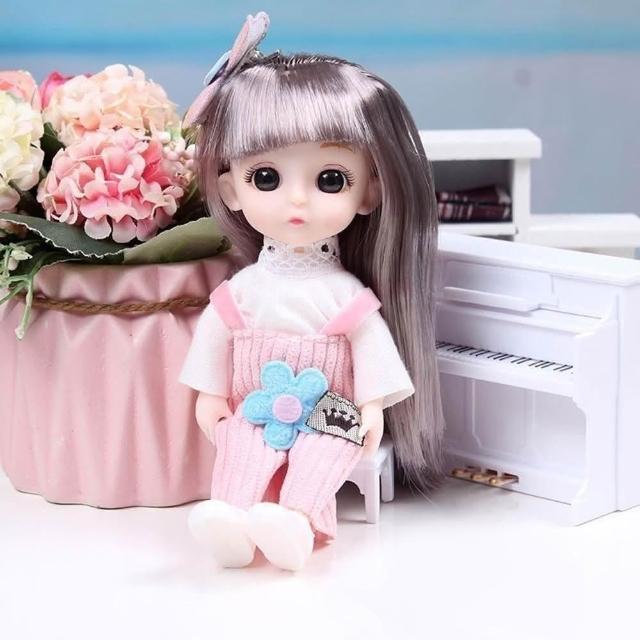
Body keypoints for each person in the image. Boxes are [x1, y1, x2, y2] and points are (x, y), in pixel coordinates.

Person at [179, 12, 445, 571]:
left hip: (331, 409)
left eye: (330, 179)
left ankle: (297, 522)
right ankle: (230, 517)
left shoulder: (345, 295)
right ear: (230, 190)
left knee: (326, 450)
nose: (296, 200)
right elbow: (215, 335)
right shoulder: (243, 291)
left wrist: (371, 406)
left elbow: (370, 347)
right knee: (241, 444)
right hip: (254, 405)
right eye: (266, 178)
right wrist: (209, 394)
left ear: (368, 193)